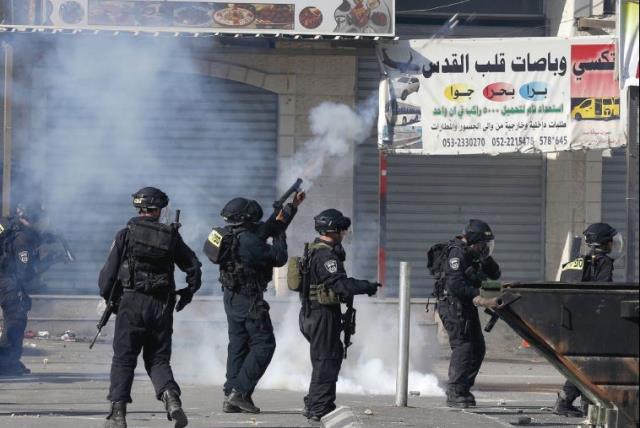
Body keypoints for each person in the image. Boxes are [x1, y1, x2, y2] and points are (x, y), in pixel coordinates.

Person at [98, 187, 202, 428]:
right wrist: (188, 292)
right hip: (162, 305)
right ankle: (171, 398)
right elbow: (194, 266)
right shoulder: (171, 236)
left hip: (131, 303)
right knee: (158, 359)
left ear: (139, 207)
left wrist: (111, 300)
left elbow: (107, 277)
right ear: (159, 210)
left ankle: (117, 414)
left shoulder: (125, 234)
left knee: (124, 359)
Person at [216, 193, 305, 414]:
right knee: (264, 344)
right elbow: (278, 257)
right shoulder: (248, 241)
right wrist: (281, 232)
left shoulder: (228, 234)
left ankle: (231, 395)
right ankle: (240, 391)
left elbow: (265, 229)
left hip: (231, 296)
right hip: (249, 298)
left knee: (238, 344)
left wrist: (289, 209)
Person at [298, 208, 381, 425]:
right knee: (326, 359)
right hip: (322, 314)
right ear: (332, 229)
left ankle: (315, 402)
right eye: (342, 230)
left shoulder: (319, 250)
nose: (344, 234)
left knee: (324, 359)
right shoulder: (325, 254)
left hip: (316, 313)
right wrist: (366, 287)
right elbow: (339, 284)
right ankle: (319, 407)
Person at [553, 222, 622, 417]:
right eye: (610, 242)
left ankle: (584, 402)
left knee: (586, 363)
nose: (613, 245)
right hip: (593, 322)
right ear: (603, 243)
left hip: (575, 320)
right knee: (590, 364)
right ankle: (567, 400)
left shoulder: (579, 261)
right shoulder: (604, 263)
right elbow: (603, 293)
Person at [437, 219, 501, 408]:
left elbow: (495, 274)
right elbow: (456, 285)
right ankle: (454, 391)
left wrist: (486, 257)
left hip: (466, 306)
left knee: (477, 348)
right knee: (463, 346)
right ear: (473, 241)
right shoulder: (456, 253)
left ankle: (463, 389)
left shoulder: (474, 253)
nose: (485, 248)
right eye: (483, 244)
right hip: (452, 306)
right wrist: (481, 296)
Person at [0, 202, 66, 376]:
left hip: (5, 280)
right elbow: (25, 274)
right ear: (32, 219)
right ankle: (7, 363)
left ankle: (11, 361)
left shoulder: (13, 230)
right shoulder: (22, 239)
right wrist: (51, 260)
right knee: (15, 320)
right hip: (8, 283)